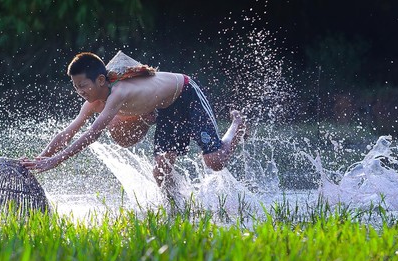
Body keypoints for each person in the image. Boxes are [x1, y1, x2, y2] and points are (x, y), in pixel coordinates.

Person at [21, 52, 245, 190]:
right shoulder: (93, 100)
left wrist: (56, 161)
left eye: (82, 85)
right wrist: (39, 159)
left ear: (101, 80)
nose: (79, 91)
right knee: (160, 173)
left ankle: (237, 125)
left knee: (215, 161)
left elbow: (93, 133)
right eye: (75, 86)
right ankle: (180, 208)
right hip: (165, 110)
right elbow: (67, 133)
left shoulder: (119, 93)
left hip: (186, 94)